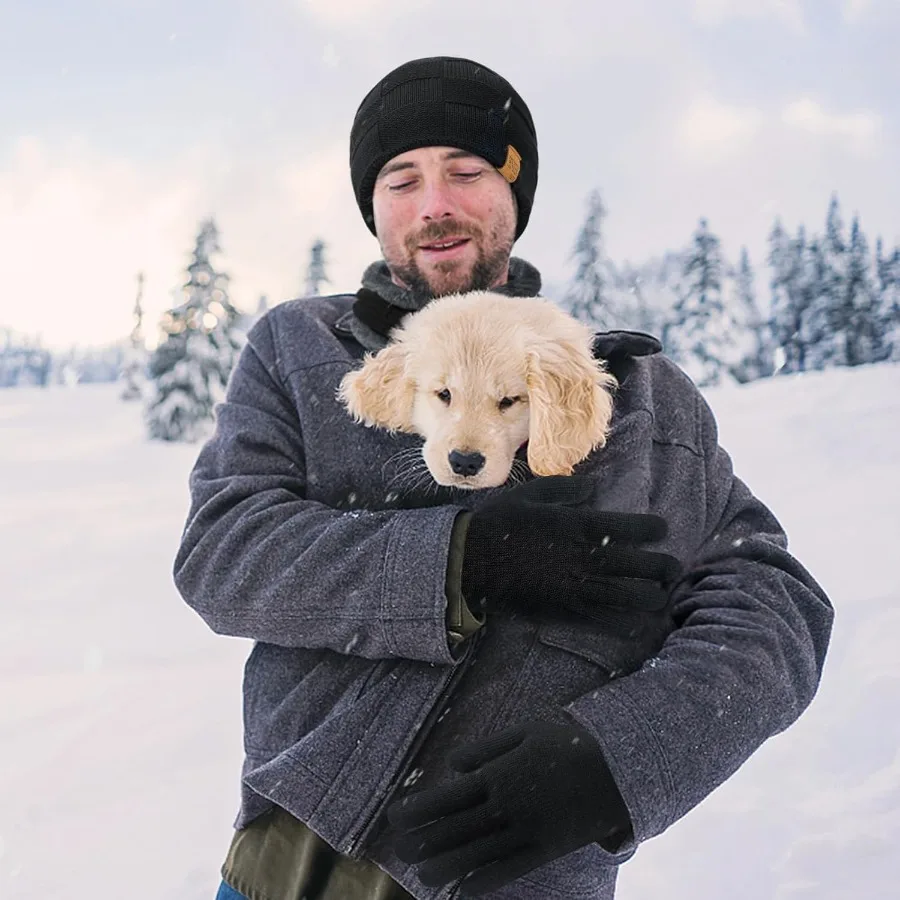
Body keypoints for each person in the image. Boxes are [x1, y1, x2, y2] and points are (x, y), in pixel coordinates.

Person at [174, 57, 834, 900]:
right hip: (289, 862)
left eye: (467, 171)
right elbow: (224, 554)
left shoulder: (639, 396)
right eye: (402, 180)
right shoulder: (301, 349)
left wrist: (617, 759)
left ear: (513, 193)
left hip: (517, 878)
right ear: (374, 207)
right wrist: (460, 561)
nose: (434, 204)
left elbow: (774, 610)